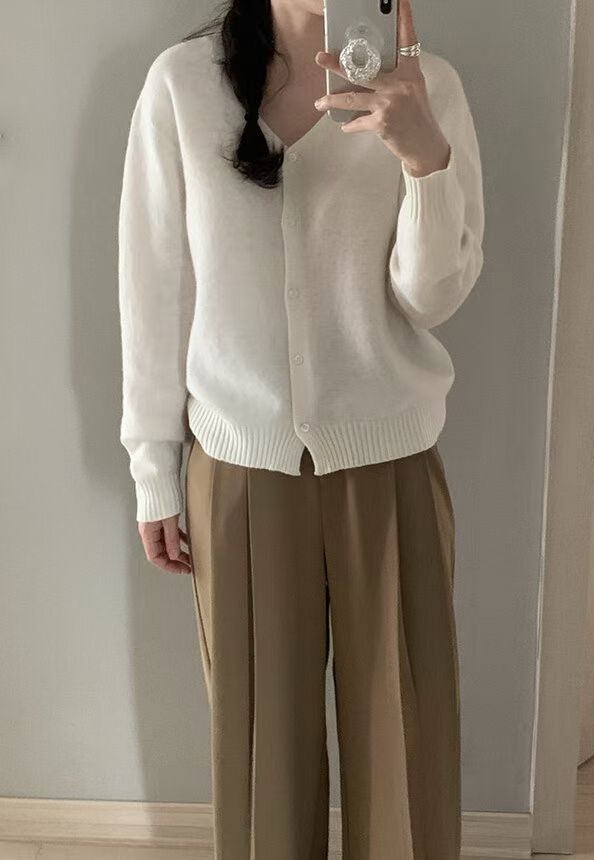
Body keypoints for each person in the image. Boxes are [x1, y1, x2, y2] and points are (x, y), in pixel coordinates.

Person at [117, 0, 484, 855]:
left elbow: (433, 298)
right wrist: (153, 467)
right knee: (262, 763)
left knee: (406, 747)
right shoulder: (183, 86)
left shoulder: (428, 87)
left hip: (391, 465)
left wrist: (423, 157)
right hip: (240, 472)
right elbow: (154, 287)